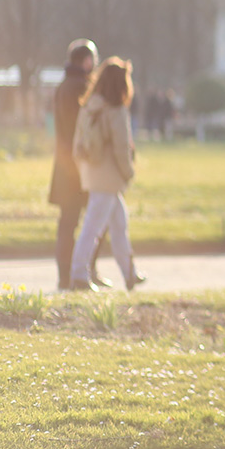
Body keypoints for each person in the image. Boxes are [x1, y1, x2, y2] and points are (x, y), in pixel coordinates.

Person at [69, 57, 145, 291]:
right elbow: (123, 148)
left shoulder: (89, 105)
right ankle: (79, 275)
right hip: (110, 178)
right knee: (93, 227)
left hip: (92, 174)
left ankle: (129, 273)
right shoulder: (116, 110)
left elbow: (77, 145)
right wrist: (128, 173)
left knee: (119, 224)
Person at [48, 39, 107, 290]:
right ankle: (86, 271)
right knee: (96, 221)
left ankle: (64, 276)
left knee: (67, 223)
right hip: (81, 166)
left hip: (63, 165)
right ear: (86, 61)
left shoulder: (62, 86)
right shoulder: (84, 87)